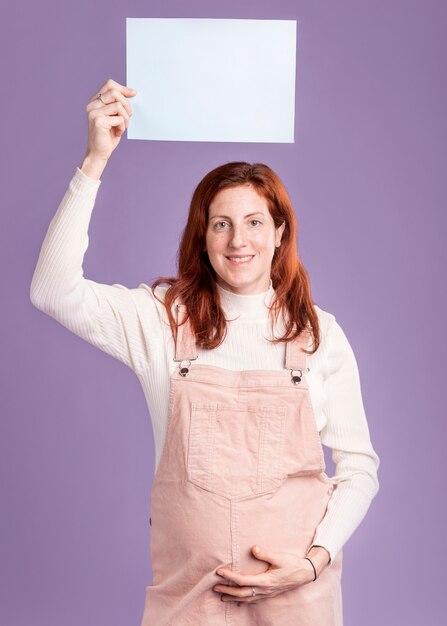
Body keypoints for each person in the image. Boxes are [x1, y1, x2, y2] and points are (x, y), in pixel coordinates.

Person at [30, 78, 380, 626]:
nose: (238, 240)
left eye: (254, 222)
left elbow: (359, 468)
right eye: (221, 224)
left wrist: (312, 563)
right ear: (203, 235)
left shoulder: (318, 334)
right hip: (189, 599)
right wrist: (94, 161)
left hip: (296, 600)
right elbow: (51, 290)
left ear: (280, 233)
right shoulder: (162, 319)